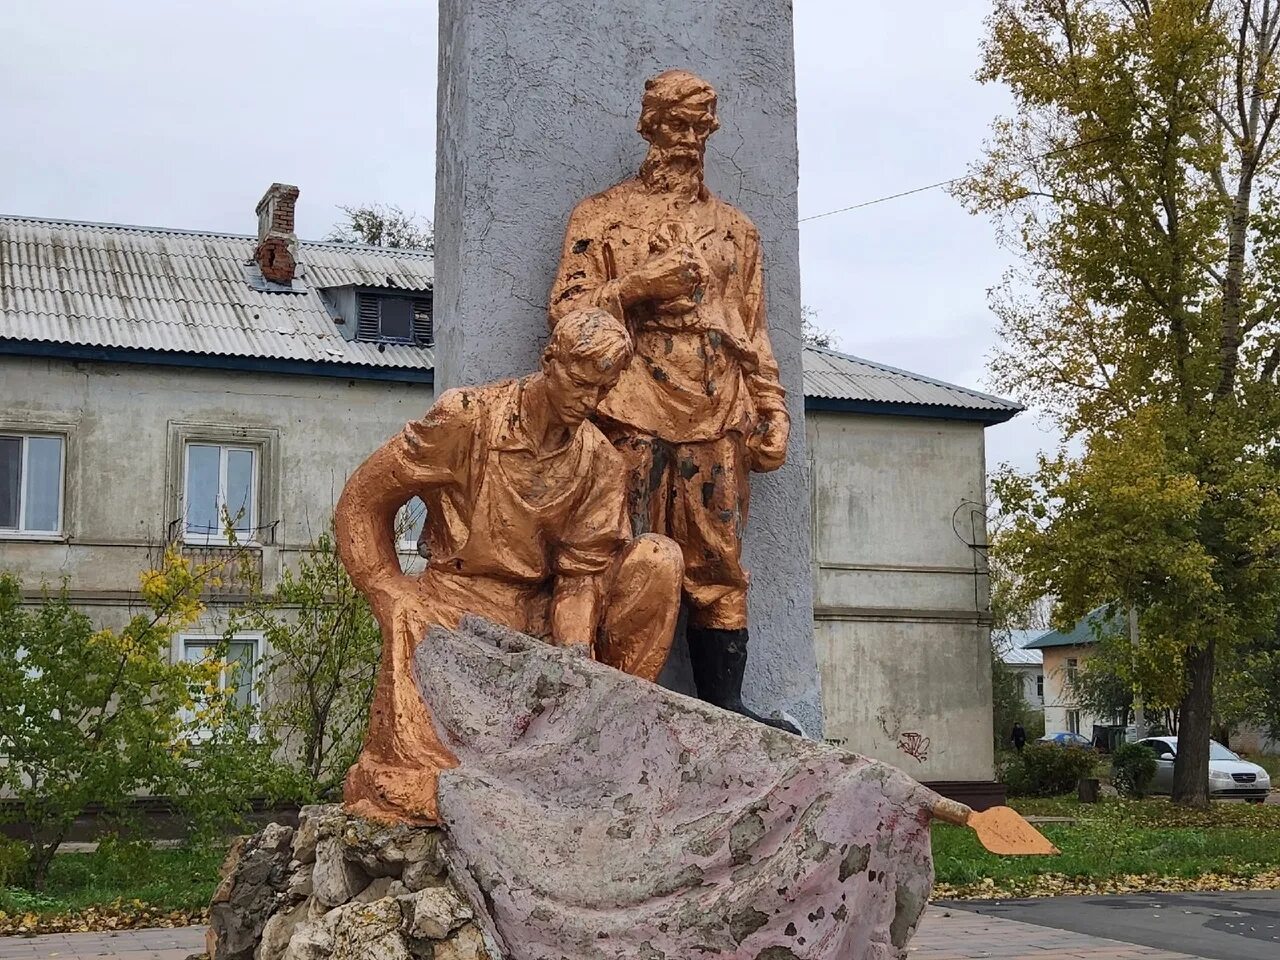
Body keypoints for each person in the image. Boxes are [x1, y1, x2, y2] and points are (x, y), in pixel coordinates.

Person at [334, 307, 684, 823]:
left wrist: (573, 654)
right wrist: (384, 587)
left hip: (539, 613)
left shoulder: (600, 462)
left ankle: (592, 747)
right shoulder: (466, 418)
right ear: (550, 361)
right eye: (579, 383)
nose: (586, 403)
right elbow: (362, 502)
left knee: (659, 559)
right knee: (414, 781)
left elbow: (579, 578)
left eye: (600, 391)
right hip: (454, 603)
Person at [548, 69, 794, 733]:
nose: (686, 139)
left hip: (718, 409)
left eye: (698, 126)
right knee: (616, 549)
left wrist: (772, 408)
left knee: (719, 563)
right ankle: (605, 703)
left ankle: (725, 707)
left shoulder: (736, 231)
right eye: (674, 124)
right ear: (648, 126)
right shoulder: (599, 217)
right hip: (626, 403)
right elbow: (566, 313)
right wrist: (636, 286)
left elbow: (752, 325)